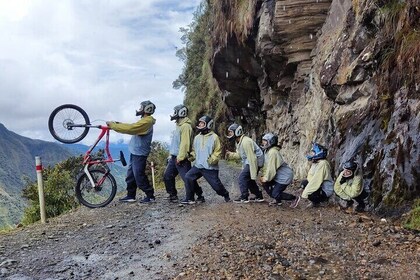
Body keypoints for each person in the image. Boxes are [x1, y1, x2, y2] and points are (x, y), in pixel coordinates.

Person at [106, 100, 156, 203]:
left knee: (138, 175)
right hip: (135, 151)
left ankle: (150, 196)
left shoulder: (147, 121)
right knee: (131, 176)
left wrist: (114, 126)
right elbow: (132, 125)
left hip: (140, 153)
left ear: (147, 109)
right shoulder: (144, 120)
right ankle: (131, 195)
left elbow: (131, 128)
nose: (140, 109)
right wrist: (118, 124)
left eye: (142, 107)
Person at [182, 116, 230, 204]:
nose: (199, 124)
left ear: (208, 124)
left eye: (202, 123)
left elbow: (218, 151)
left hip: (210, 167)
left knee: (217, 187)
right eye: (199, 123)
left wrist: (212, 160)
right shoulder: (197, 138)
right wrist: (191, 156)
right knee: (188, 177)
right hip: (198, 166)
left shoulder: (214, 137)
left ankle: (225, 194)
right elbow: (194, 151)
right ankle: (191, 198)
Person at [163, 104, 204, 202]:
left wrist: (180, 157)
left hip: (181, 158)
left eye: (175, 112)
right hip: (174, 157)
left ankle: (198, 196)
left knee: (187, 179)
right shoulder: (178, 125)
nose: (173, 114)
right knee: (167, 176)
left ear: (181, 113)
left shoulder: (186, 126)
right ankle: (172, 196)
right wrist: (171, 155)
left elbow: (185, 144)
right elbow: (175, 143)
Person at [225, 123, 265, 203]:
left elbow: (252, 157)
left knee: (242, 178)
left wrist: (253, 172)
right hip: (250, 162)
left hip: (254, 162)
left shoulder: (246, 141)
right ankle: (259, 196)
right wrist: (231, 154)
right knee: (249, 180)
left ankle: (244, 196)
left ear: (237, 132)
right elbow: (240, 155)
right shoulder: (239, 142)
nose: (229, 134)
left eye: (231, 132)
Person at [291, 142, 334, 208]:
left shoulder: (323, 164)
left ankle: (319, 202)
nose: (312, 154)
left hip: (325, 189)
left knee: (310, 194)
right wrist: (303, 188)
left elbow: (316, 180)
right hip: (320, 186)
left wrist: (305, 193)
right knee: (304, 182)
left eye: (313, 152)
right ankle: (315, 201)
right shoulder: (316, 162)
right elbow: (310, 177)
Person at [258, 133, 296, 206]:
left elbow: (271, 168)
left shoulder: (273, 152)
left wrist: (266, 178)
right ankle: (277, 200)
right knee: (264, 182)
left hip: (284, 176)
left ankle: (293, 198)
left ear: (270, 142)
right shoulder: (267, 151)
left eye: (265, 141)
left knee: (275, 193)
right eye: (263, 140)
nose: (263, 143)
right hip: (278, 175)